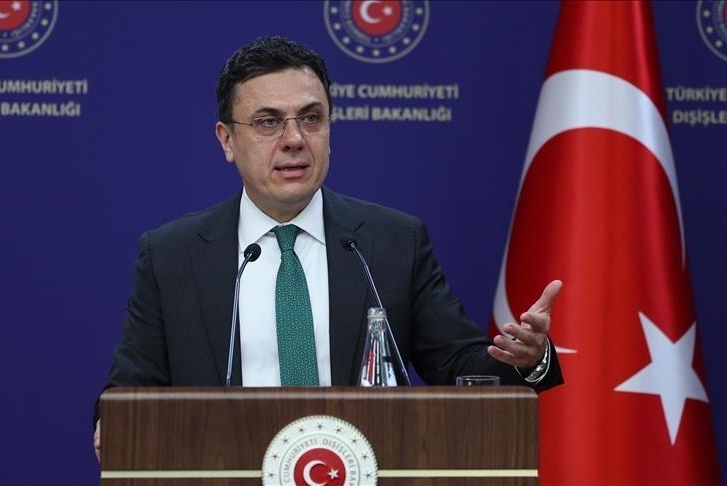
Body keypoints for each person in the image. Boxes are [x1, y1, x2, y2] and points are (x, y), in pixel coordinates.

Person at [93, 35, 563, 460]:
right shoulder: (173, 255)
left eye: (311, 118)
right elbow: (132, 389)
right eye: (268, 122)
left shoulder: (391, 242)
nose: (294, 140)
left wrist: (528, 359)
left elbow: (462, 369)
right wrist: (111, 421)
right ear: (227, 139)